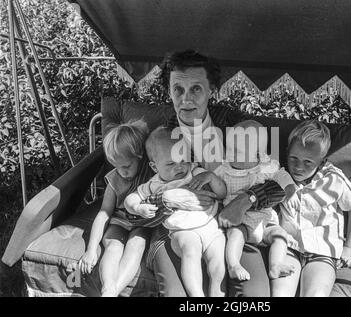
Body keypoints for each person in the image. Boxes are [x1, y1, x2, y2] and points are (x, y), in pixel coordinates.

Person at [129, 50, 286, 296]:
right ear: (169, 90)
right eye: (177, 89)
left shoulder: (238, 124)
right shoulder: (158, 135)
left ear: (212, 89)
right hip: (176, 230)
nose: (185, 99)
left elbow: (279, 183)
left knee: (255, 296)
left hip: (237, 225)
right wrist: (165, 199)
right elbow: (135, 213)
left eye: (196, 89)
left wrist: (246, 200)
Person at [124, 126, 227, 297]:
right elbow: (130, 200)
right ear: (154, 167)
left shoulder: (195, 171)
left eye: (184, 160)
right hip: (184, 232)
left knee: (218, 261)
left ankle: (217, 292)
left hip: (211, 227)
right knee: (191, 252)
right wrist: (138, 207)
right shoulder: (154, 185)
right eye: (171, 163)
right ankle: (197, 295)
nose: (179, 167)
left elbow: (222, 193)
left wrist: (211, 177)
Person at [271, 120, 351, 296]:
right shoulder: (280, 175)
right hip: (289, 247)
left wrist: (350, 247)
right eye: (293, 158)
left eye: (308, 162)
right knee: (280, 293)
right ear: (287, 153)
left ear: (322, 162)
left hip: (323, 251)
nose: (298, 167)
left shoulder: (334, 178)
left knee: (316, 293)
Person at [75, 120, 154, 297]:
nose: (122, 172)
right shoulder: (114, 179)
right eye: (116, 166)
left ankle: (112, 292)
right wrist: (91, 249)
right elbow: (104, 213)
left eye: (126, 166)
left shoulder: (150, 176)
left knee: (137, 244)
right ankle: (108, 288)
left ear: (140, 156)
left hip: (142, 224)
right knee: (113, 247)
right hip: (119, 222)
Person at [215, 120, 297, 281]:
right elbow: (214, 185)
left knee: (280, 235)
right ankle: (233, 264)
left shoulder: (267, 167)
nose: (231, 155)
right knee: (235, 236)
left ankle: (276, 265)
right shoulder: (224, 169)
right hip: (240, 223)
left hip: (265, 223)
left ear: (260, 154)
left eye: (238, 151)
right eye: (229, 149)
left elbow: (282, 176)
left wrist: (290, 189)